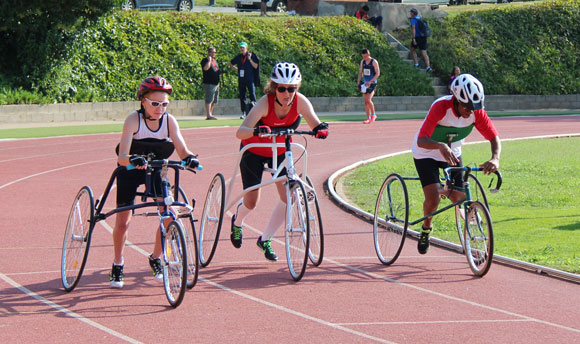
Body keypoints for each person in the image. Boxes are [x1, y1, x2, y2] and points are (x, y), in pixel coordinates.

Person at [233, 62, 329, 261]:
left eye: (291, 88)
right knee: (251, 202)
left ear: (297, 88)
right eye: (282, 88)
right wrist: (258, 130)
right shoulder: (264, 103)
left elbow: (316, 123)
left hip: (280, 151)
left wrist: (321, 129)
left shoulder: (300, 102)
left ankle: (265, 239)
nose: (287, 93)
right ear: (274, 87)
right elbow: (240, 132)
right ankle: (237, 221)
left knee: (289, 197)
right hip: (255, 150)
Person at [110, 76, 200, 288]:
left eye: (164, 104)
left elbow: (182, 148)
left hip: (157, 171)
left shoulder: (169, 121)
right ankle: (118, 263)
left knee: (168, 216)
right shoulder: (133, 120)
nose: (160, 108)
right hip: (130, 170)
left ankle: (155, 257)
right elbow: (122, 155)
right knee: (123, 222)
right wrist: (133, 159)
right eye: (155, 104)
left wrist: (190, 158)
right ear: (143, 101)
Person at [411, 74, 501, 255]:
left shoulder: (476, 113)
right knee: (433, 199)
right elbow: (421, 139)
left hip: (453, 154)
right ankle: (426, 228)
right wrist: (440, 146)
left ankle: (445, 190)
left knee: (460, 197)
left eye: (475, 107)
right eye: (467, 107)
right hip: (426, 153)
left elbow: (493, 137)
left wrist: (495, 158)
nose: (471, 111)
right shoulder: (440, 107)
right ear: (457, 100)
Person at [229, 41, 260, 119]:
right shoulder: (239, 57)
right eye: (241, 47)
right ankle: (244, 112)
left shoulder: (252, 55)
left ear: (247, 48)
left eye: (243, 47)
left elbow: (256, 66)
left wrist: (249, 59)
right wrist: (237, 69)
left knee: (252, 94)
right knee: (242, 96)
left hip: (250, 79)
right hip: (241, 79)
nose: (242, 49)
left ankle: (254, 112)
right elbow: (231, 63)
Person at [356, 48, 381, 124]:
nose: (364, 58)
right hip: (364, 83)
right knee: (366, 102)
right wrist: (358, 81)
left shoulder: (374, 62)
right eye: (363, 56)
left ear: (369, 54)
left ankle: (373, 114)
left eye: (366, 56)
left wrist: (370, 81)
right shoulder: (362, 62)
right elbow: (360, 72)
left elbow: (377, 73)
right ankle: (368, 118)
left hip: (372, 83)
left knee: (368, 100)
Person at [200, 46, 222, 120]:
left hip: (216, 83)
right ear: (209, 53)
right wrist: (209, 61)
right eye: (213, 52)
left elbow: (216, 69)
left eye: (215, 52)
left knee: (214, 99)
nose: (214, 54)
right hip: (209, 83)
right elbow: (206, 68)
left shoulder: (215, 61)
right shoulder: (205, 60)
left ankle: (211, 113)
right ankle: (208, 115)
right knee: (209, 99)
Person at [409, 8, 432, 72]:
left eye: (410, 13)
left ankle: (416, 64)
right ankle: (428, 67)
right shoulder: (420, 18)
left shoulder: (413, 19)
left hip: (417, 37)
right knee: (424, 52)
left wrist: (413, 38)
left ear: (413, 13)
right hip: (424, 37)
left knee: (412, 49)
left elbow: (413, 29)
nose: (410, 14)